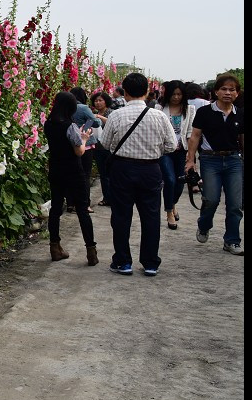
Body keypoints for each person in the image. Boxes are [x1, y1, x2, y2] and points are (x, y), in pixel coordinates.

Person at [99, 72, 177, 276]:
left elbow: (105, 144)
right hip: (150, 169)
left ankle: (123, 261)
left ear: (124, 92)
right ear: (147, 91)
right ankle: (150, 263)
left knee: (121, 216)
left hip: (122, 169)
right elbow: (172, 146)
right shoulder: (159, 116)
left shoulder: (116, 115)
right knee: (151, 217)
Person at [186, 73, 244, 255]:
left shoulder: (240, 114)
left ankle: (232, 241)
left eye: (232, 89)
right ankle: (204, 225)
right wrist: (190, 161)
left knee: (235, 204)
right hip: (211, 160)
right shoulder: (205, 112)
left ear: (237, 93)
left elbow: (242, 138)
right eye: (224, 89)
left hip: (234, 160)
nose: (228, 92)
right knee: (211, 199)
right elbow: (195, 136)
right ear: (216, 91)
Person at [43, 91, 99, 265]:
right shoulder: (70, 126)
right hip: (74, 171)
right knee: (82, 209)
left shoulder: (48, 123)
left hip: (56, 169)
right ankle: (91, 252)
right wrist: (84, 139)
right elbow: (79, 151)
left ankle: (55, 247)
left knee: (56, 209)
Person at [154, 80, 196, 230]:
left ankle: (173, 203)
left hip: (182, 150)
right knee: (170, 180)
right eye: (173, 94)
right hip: (165, 151)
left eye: (179, 94)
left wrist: (191, 156)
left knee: (180, 182)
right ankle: (169, 212)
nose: (176, 97)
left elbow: (191, 134)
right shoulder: (159, 108)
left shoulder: (189, 110)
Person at [66, 86, 100, 213]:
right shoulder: (83, 108)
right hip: (85, 144)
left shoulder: (67, 108)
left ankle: (70, 203)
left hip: (70, 145)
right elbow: (96, 122)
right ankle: (85, 204)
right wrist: (86, 127)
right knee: (84, 175)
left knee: (71, 175)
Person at [90, 91, 113, 206]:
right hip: (98, 148)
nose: (98, 103)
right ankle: (106, 198)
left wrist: (99, 117)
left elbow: (111, 123)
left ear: (106, 101)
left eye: (100, 100)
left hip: (110, 148)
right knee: (103, 174)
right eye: (96, 100)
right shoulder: (93, 113)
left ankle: (113, 197)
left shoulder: (111, 113)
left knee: (111, 174)